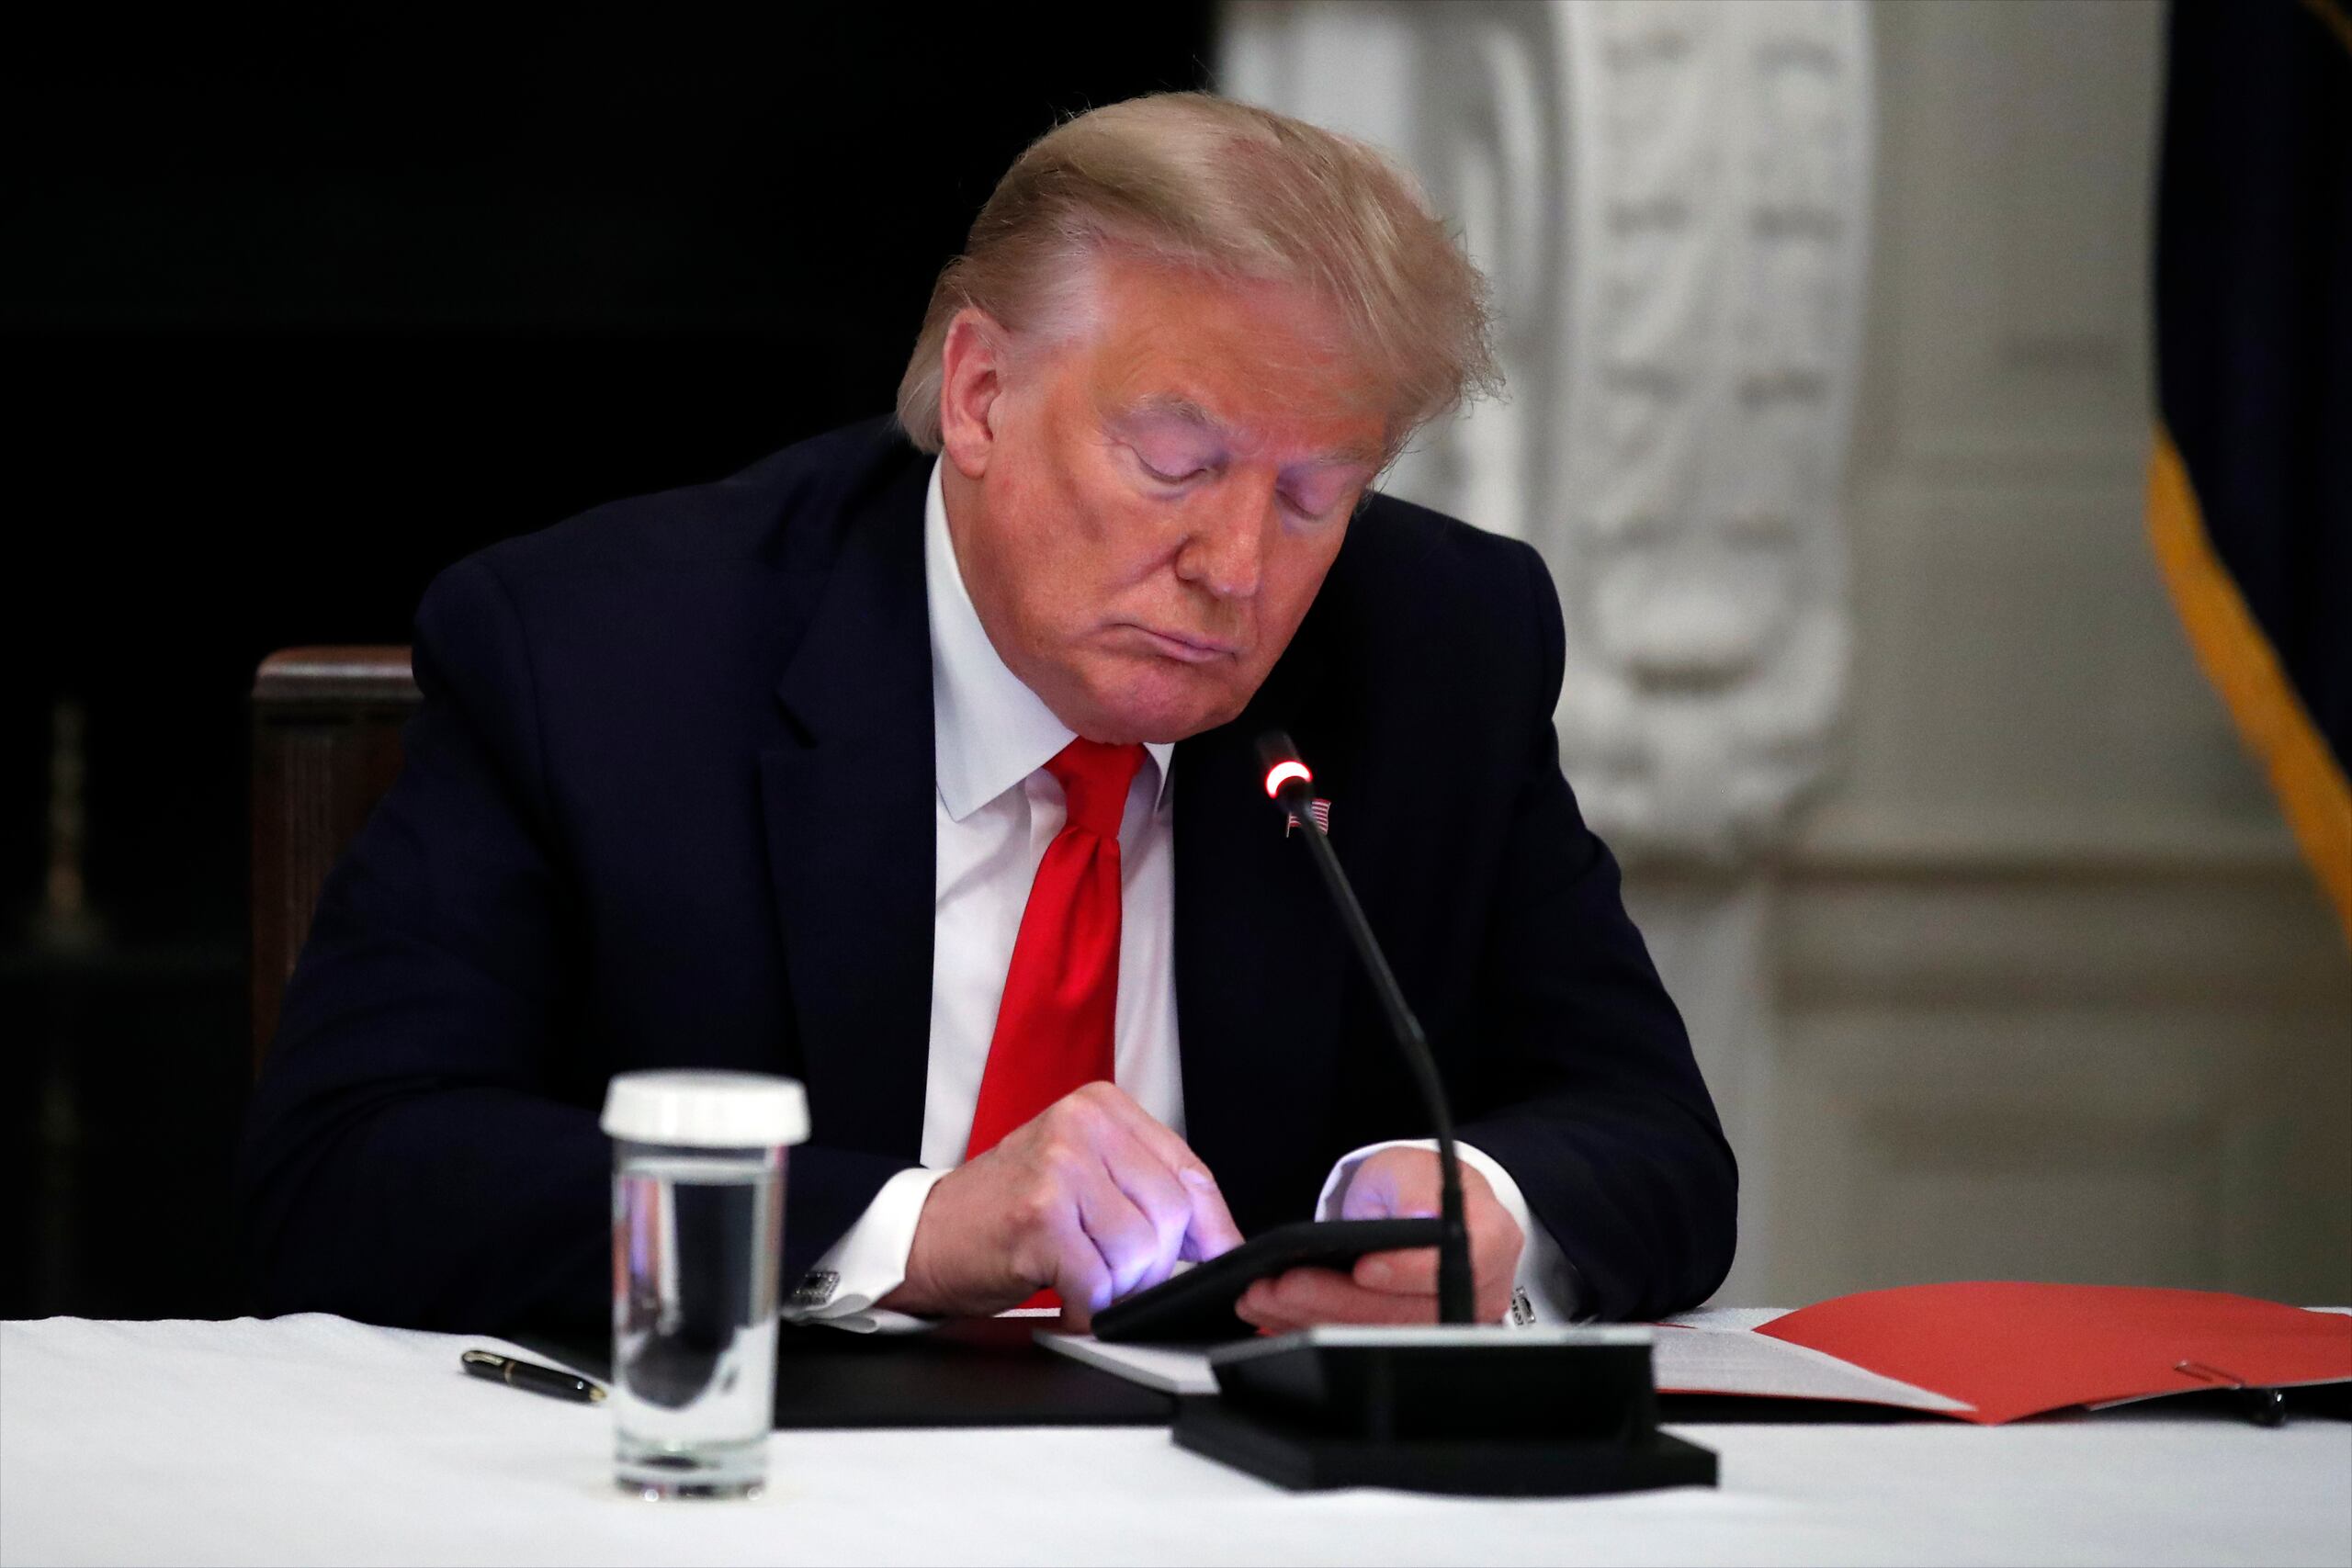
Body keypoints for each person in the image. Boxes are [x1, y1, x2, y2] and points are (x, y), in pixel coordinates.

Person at [236, 93, 1736, 1337]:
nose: (1235, 567)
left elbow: (1654, 1140)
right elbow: (349, 1170)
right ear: (980, 392)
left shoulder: (1435, 651)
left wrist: (1481, 1207)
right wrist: (905, 1229)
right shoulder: (608, 653)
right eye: (1172, 460)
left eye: (1310, 493)